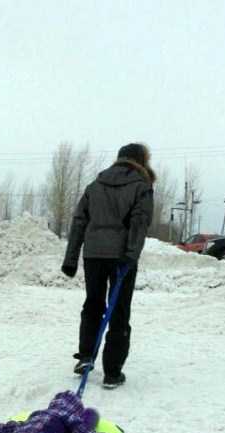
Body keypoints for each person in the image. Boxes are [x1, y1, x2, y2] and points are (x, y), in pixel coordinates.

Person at [61, 142, 155, 389]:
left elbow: (79, 221)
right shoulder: (141, 186)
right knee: (119, 310)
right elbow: (140, 222)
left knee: (93, 304)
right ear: (141, 161)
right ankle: (112, 372)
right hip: (121, 256)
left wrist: (70, 259)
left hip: (93, 255)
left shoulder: (95, 185)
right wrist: (131, 254)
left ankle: (85, 357)